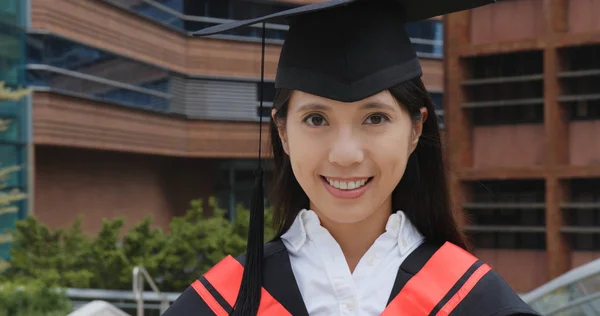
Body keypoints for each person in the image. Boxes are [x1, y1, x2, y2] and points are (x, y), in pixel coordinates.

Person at [163, 0, 541, 315]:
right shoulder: (224, 301)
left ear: (415, 130)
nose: (345, 154)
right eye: (316, 119)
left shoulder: (476, 301)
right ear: (283, 132)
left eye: (375, 118)